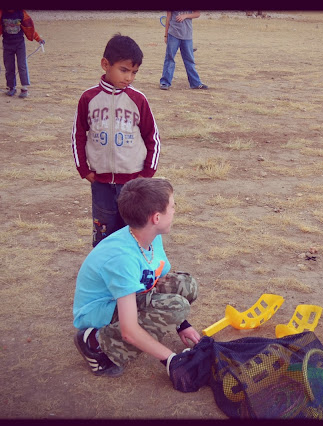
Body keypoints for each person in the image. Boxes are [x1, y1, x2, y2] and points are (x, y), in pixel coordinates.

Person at [72, 177, 201, 377]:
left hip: (124, 296)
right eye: (172, 207)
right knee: (177, 307)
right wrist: (172, 360)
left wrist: (181, 324)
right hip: (97, 312)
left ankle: (161, 319)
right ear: (156, 218)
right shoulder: (122, 258)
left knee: (186, 285)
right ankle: (95, 342)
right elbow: (129, 331)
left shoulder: (149, 235)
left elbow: (158, 278)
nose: (175, 211)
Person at [72, 34, 161, 247]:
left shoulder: (138, 100)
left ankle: (132, 265)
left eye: (134, 72)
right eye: (124, 70)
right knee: (103, 233)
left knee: (133, 233)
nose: (129, 77)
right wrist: (84, 169)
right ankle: (103, 264)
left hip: (133, 183)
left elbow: (153, 137)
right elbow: (78, 135)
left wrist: (146, 174)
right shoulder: (88, 98)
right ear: (105, 64)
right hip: (101, 182)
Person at [0, 9, 45, 98]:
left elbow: (30, 29)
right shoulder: (0, 14)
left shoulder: (22, 14)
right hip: (7, 44)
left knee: (22, 65)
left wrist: (39, 39)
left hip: (20, 44)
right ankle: (11, 88)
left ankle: (24, 88)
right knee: (9, 66)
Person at [159, 11, 208, 90]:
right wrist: (166, 35)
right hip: (173, 34)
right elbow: (168, 17)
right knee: (169, 58)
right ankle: (165, 82)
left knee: (189, 60)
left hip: (187, 35)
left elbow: (197, 14)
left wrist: (185, 16)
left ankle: (195, 83)